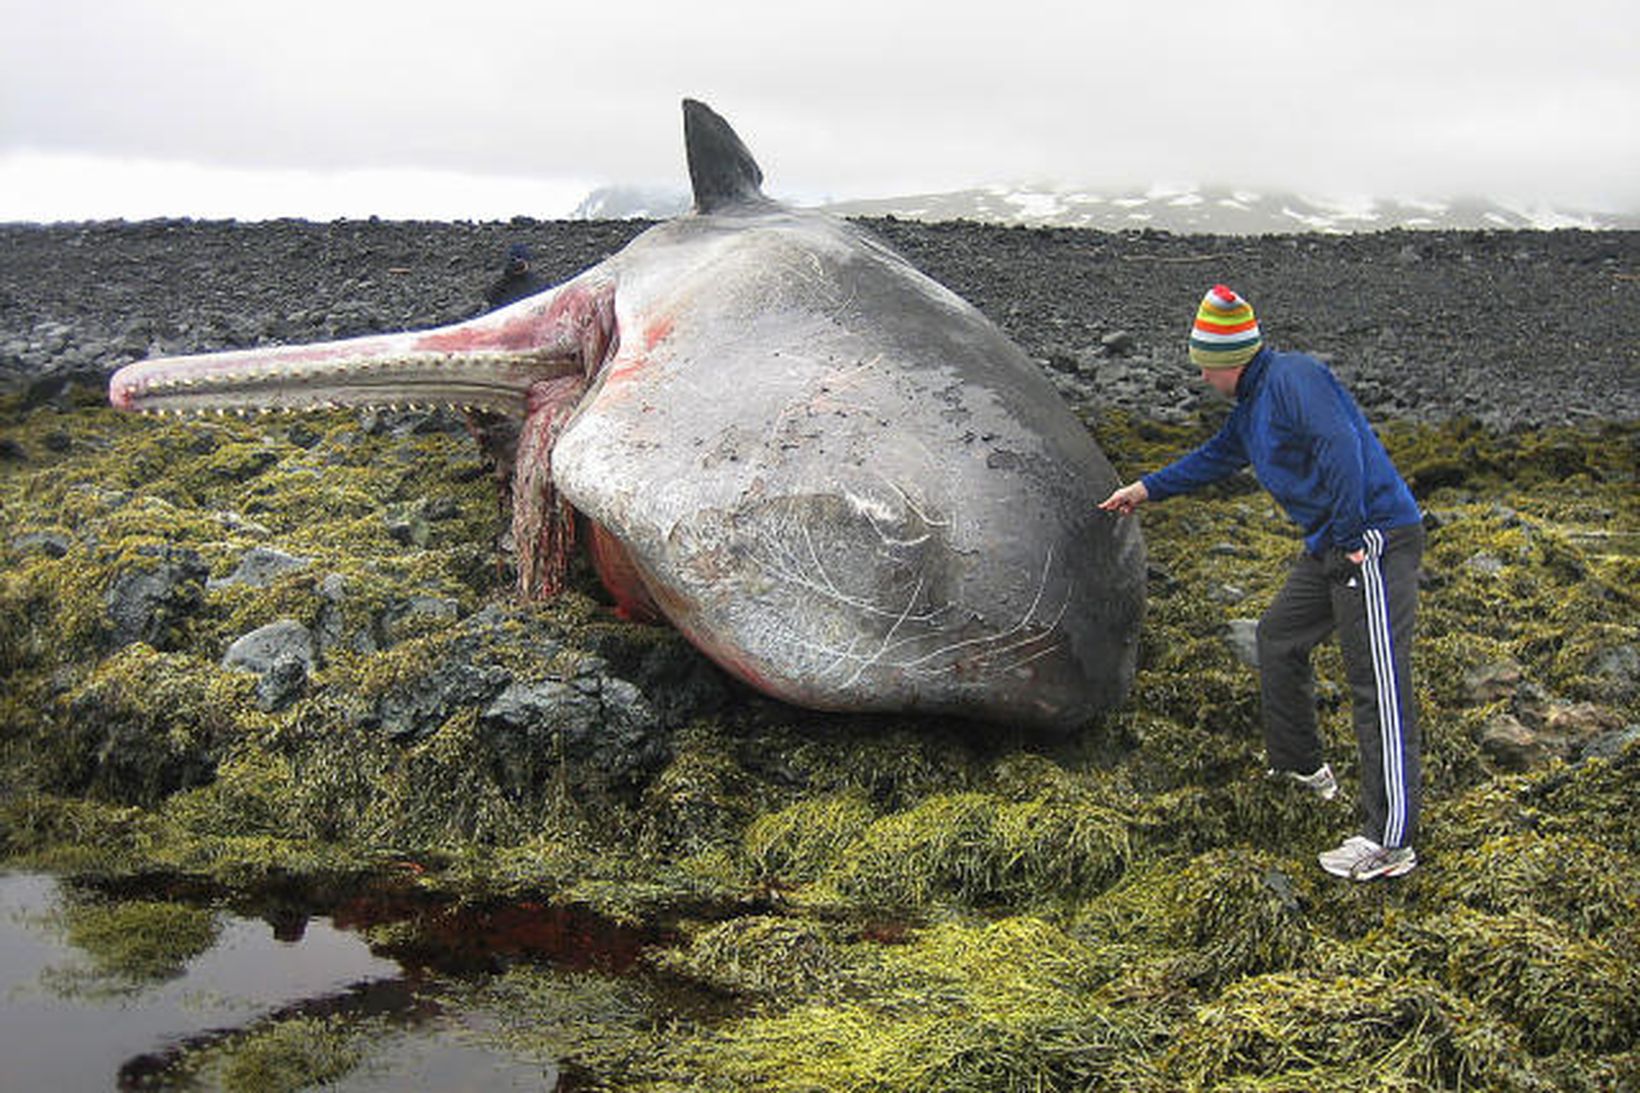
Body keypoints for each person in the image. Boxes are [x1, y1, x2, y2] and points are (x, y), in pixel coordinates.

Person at [1099, 285, 1425, 881]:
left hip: (1372, 540)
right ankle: (1303, 769)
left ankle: (1391, 841)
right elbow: (1214, 458)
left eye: (1203, 363)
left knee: (1377, 684)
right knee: (1278, 637)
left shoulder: (1296, 379)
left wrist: (1352, 536)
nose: (1200, 375)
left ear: (1229, 360)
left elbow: (1341, 445)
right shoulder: (1252, 409)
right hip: (1331, 545)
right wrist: (1144, 490)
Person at [483, 242, 547, 310]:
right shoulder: (498, 290)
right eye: (513, 260)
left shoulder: (540, 285)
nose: (516, 263)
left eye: (519, 259)